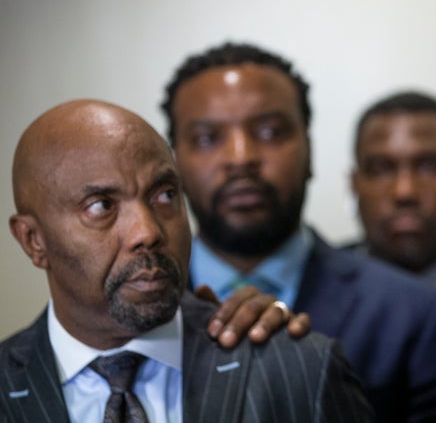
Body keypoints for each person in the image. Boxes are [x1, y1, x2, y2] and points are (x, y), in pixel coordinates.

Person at [0, 100, 372, 422]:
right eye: (102, 206)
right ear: (34, 241)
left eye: (164, 195)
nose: (147, 231)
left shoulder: (299, 367)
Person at [161, 42, 436, 423]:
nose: (241, 157)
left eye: (269, 131)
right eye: (208, 138)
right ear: (173, 162)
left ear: (309, 149)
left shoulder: (413, 315)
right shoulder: (138, 309)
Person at [346, 91, 436, 292]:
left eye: (430, 167)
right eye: (381, 170)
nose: (405, 192)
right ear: (353, 184)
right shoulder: (314, 285)